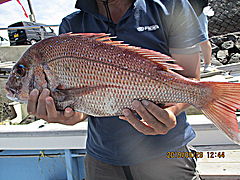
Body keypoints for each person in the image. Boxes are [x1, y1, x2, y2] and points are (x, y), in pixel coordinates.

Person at [27, 0, 206, 179]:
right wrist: (67, 115)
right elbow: (84, 107)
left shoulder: (170, 6)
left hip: (167, 153)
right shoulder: (72, 24)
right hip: (102, 159)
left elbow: (190, 80)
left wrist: (171, 111)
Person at [189, 0, 213, 73]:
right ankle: (191, 66)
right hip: (183, 13)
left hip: (199, 11)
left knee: (203, 39)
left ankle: (207, 64)